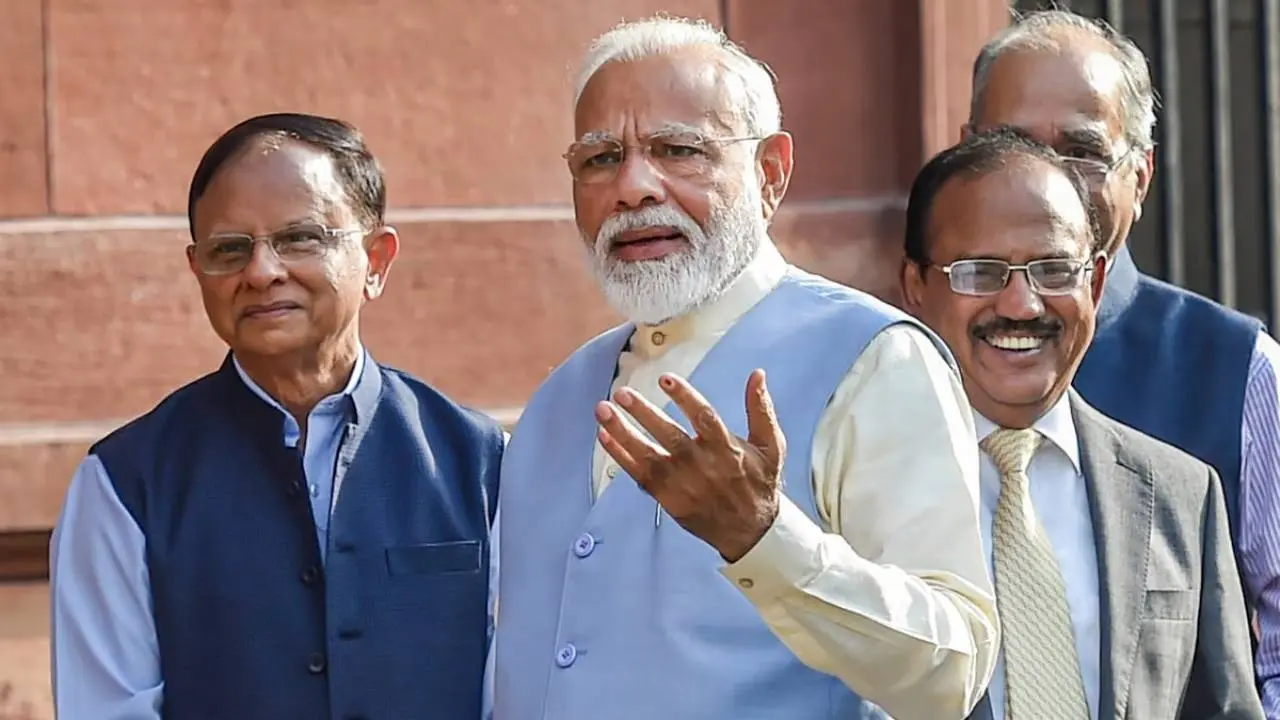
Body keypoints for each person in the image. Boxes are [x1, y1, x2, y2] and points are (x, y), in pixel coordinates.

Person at [490, 16, 999, 720]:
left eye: (678, 150)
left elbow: (951, 674)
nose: (634, 188)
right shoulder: (558, 400)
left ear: (770, 173)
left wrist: (767, 539)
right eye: (601, 159)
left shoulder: (873, 360)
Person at [48, 113, 504, 719]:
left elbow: (524, 690)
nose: (262, 272)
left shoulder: (479, 461)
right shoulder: (126, 485)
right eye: (230, 249)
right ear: (197, 270)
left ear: (376, 260)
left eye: (300, 238)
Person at [964, 9, 1280, 710]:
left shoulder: (1236, 371)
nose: (1045, 177)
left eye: (1081, 150)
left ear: (1140, 175)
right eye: (1012, 143)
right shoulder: (896, 365)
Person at [902, 126, 1263, 719]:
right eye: (981, 273)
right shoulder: (855, 490)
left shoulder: (1180, 493)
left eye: (1052, 270)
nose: (1022, 305)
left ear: (1094, 283)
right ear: (915, 286)